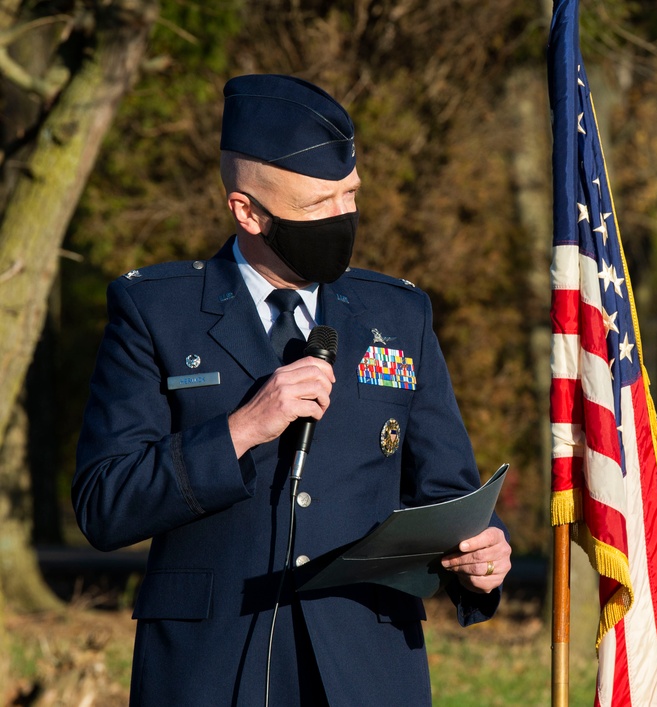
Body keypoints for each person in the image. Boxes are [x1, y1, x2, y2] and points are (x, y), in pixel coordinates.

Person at [73, 73, 511, 706]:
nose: (342, 218)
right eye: (316, 207)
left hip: (367, 669)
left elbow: (447, 493)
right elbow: (103, 503)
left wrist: (481, 558)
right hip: (210, 672)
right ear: (248, 211)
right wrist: (242, 428)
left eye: (350, 195)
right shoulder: (155, 312)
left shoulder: (397, 315)